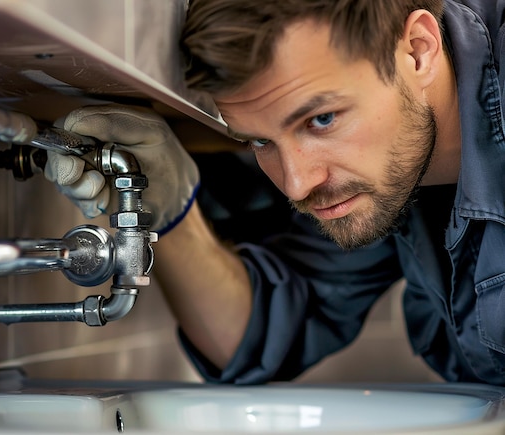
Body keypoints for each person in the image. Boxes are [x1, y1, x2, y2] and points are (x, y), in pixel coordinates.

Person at [44, 0, 505, 385]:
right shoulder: (388, 168)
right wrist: (167, 210)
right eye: (261, 141)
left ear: (419, 51)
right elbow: (260, 336)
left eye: (321, 120)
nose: (298, 183)